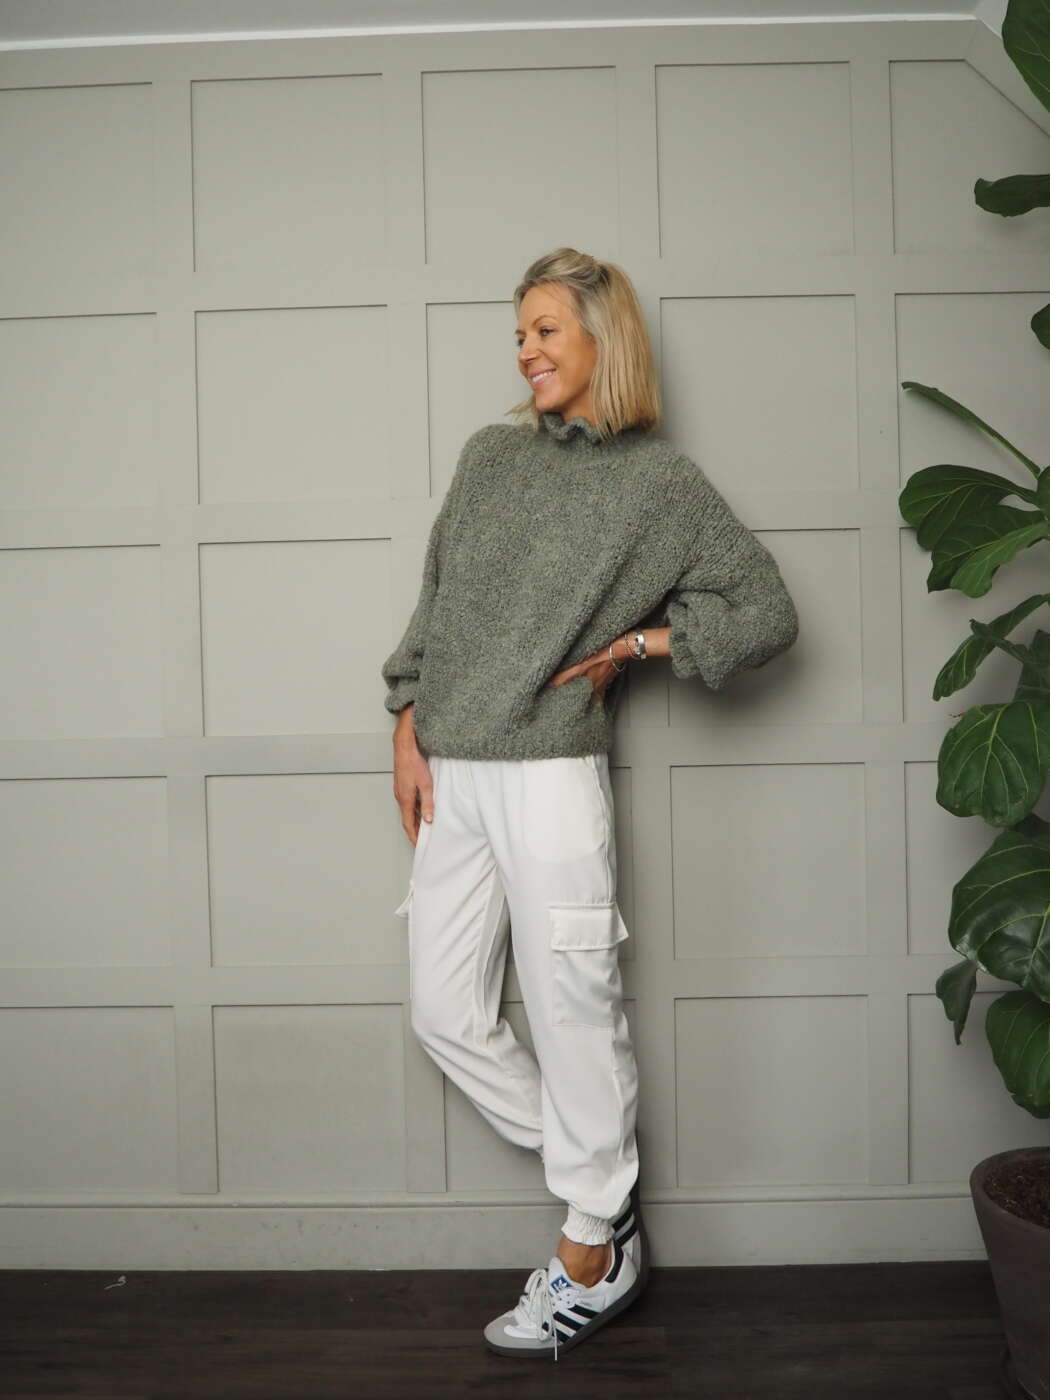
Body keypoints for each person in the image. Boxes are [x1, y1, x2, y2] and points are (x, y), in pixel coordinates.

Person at [381, 246, 800, 1360]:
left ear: (602, 338)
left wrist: (639, 646)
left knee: (574, 1006)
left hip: (551, 776)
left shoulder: (659, 486)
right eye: (518, 333)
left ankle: (587, 1247)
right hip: (455, 771)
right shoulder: (489, 456)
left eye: (545, 330)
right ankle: (605, 1199)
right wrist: (405, 720)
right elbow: (435, 599)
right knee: (444, 1011)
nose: (525, 351)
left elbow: (765, 612)